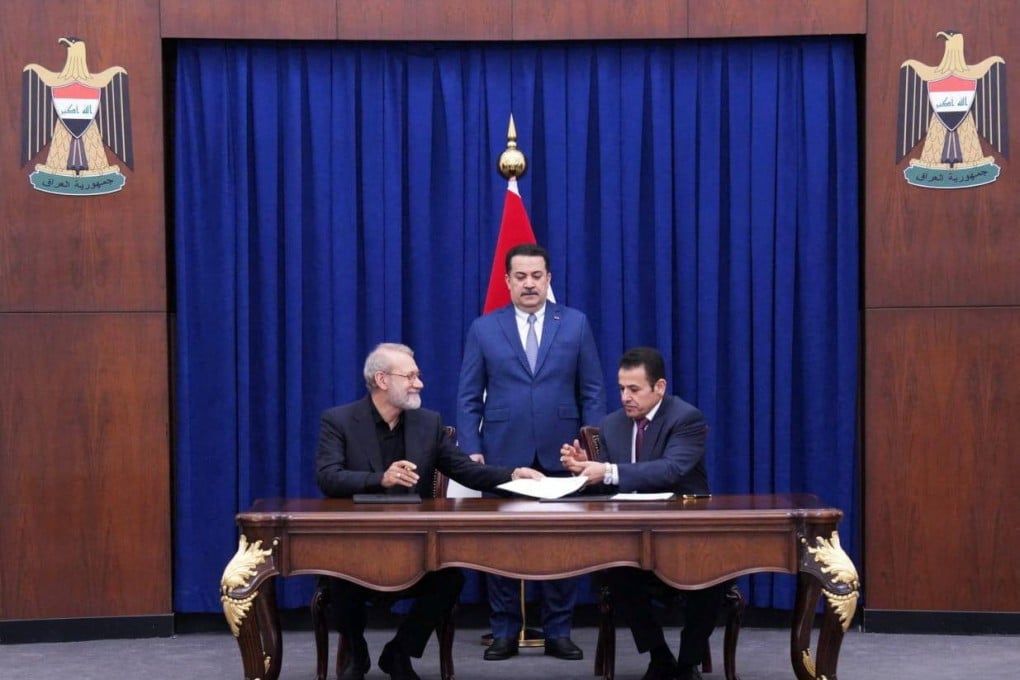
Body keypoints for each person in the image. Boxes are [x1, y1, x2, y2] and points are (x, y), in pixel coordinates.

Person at [316, 342, 543, 680]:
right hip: (358, 544)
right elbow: (328, 477)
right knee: (338, 576)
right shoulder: (340, 421)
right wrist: (380, 478)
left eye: (418, 376)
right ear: (382, 379)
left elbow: (467, 471)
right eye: (410, 376)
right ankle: (357, 653)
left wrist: (512, 475)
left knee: (450, 579)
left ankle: (399, 652)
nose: (419, 383)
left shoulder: (428, 423)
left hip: (413, 546)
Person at [457, 243, 606, 661]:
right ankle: (504, 631)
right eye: (520, 276)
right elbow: (468, 396)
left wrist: (592, 446)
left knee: (562, 545)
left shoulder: (575, 323)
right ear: (507, 281)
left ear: (548, 279)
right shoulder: (484, 328)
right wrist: (472, 449)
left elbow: (592, 391)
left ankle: (559, 631)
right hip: (502, 452)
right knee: (501, 545)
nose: (529, 284)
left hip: (564, 452)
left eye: (536, 276)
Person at [560, 346, 724, 680]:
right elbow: (606, 491)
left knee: (713, 578)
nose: (625, 397)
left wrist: (606, 471)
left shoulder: (686, 418)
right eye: (621, 388)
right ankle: (659, 657)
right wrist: (583, 472)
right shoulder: (611, 425)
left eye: (634, 389)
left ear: (659, 387)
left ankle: (688, 662)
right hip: (634, 540)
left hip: (685, 537)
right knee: (618, 572)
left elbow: (670, 469)